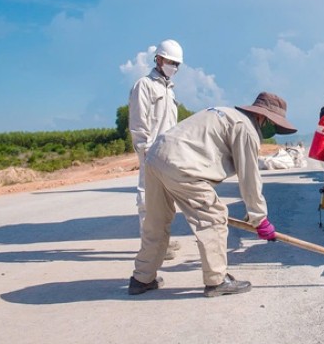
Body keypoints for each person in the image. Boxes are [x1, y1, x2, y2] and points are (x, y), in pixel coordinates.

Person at [127, 91, 297, 297]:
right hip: (183, 165)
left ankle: (141, 278)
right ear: (262, 116)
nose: (273, 130)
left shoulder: (226, 114)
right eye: (273, 124)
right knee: (214, 218)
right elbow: (249, 178)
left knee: (156, 222)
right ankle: (217, 280)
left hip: (155, 157)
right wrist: (259, 219)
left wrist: (252, 215)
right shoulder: (247, 129)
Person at [128, 39, 184, 260]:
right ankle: (149, 244)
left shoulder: (168, 89)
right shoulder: (145, 85)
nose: (174, 67)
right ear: (158, 59)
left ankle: (162, 240)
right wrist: (144, 149)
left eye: (177, 64)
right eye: (170, 62)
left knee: (165, 199)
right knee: (147, 197)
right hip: (150, 151)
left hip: (168, 152)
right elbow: (139, 121)